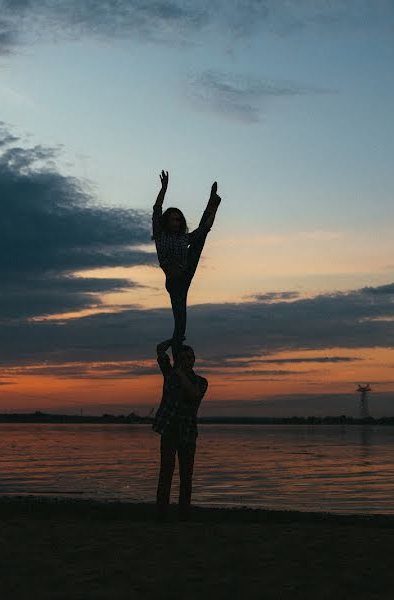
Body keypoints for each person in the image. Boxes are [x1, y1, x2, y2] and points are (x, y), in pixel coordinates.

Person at [152, 170, 221, 358]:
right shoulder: (160, 234)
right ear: (167, 221)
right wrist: (164, 188)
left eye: (179, 219)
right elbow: (156, 209)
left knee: (200, 238)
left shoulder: (183, 238)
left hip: (186, 272)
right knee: (180, 324)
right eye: (173, 218)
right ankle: (176, 357)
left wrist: (213, 209)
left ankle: (212, 202)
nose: (177, 221)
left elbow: (204, 229)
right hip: (175, 284)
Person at [152, 338, 208, 521]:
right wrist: (174, 340)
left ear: (194, 360)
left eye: (190, 358)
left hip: (188, 433)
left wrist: (181, 373)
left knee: (186, 476)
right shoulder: (169, 374)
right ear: (179, 359)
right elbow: (160, 350)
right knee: (165, 473)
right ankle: (161, 515)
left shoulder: (201, 381)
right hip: (169, 430)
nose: (188, 361)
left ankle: (184, 514)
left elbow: (194, 394)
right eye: (184, 358)